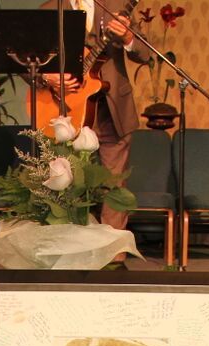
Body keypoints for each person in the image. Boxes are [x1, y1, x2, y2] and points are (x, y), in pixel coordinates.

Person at [41, 0, 147, 254]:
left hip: (112, 107)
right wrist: (47, 77)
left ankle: (114, 253)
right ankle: (69, 249)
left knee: (114, 183)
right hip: (67, 107)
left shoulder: (117, 5)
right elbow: (28, 61)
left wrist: (128, 36)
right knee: (66, 179)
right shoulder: (49, 10)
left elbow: (144, 53)